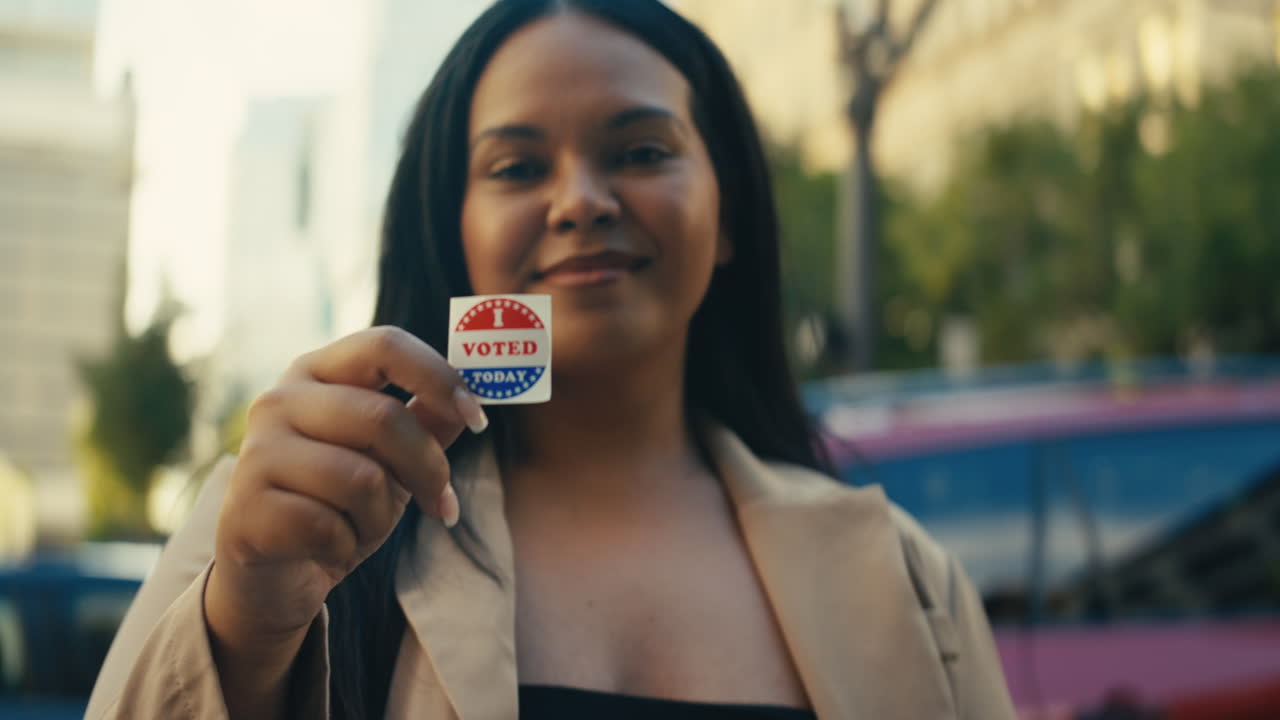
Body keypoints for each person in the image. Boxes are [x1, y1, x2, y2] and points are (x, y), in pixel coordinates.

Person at [87, 0, 1017, 718]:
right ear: (452, 232)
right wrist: (248, 628)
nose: (580, 200)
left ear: (727, 213)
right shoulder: (279, 519)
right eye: (517, 168)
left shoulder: (907, 581)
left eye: (641, 150)